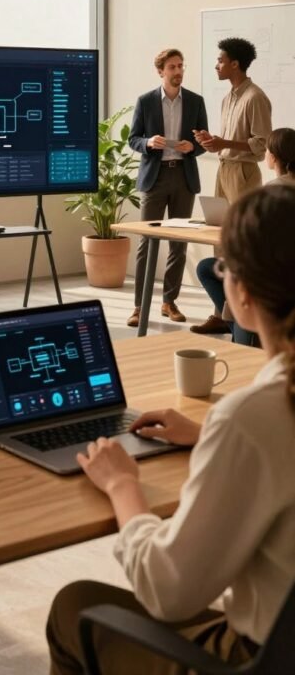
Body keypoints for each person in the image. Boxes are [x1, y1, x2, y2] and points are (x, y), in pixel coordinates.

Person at [47, 183, 295, 675]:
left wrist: (122, 486)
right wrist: (209, 436)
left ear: (243, 291)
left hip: (255, 659)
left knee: (74, 606)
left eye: (223, 268)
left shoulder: (253, 417)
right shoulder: (260, 420)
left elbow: (168, 590)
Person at [127, 49, 208, 328]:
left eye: (181, 66)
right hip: (155, 177)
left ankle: (169, 301)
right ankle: (139, 306)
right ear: (161, 71)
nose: (178, 71)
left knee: (179, 243)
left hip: (184, 178)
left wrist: (192, 147)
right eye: (172, 67)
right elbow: (133, 139)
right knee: (147, 241)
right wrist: (148, 142)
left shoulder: (196, 101)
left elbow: (204, 141)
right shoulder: (145, 101)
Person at [190, 127, 295, 341]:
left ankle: (242, 329)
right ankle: (239, 327)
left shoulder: (271, 192)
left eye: (266, 150)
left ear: (273, 157)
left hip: (268, 278)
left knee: (214, 268)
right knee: (209, 267)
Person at [193, 36, 272, 204]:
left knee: (242, 221)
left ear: (235, 64)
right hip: (223, 169)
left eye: (221, 61)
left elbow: (261, 143)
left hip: (243, 172)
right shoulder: (227, 99)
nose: (216, 66)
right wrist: (213, 142)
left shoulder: (255, 97)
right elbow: (231, 140)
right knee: (219, 219)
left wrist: (224, 143)